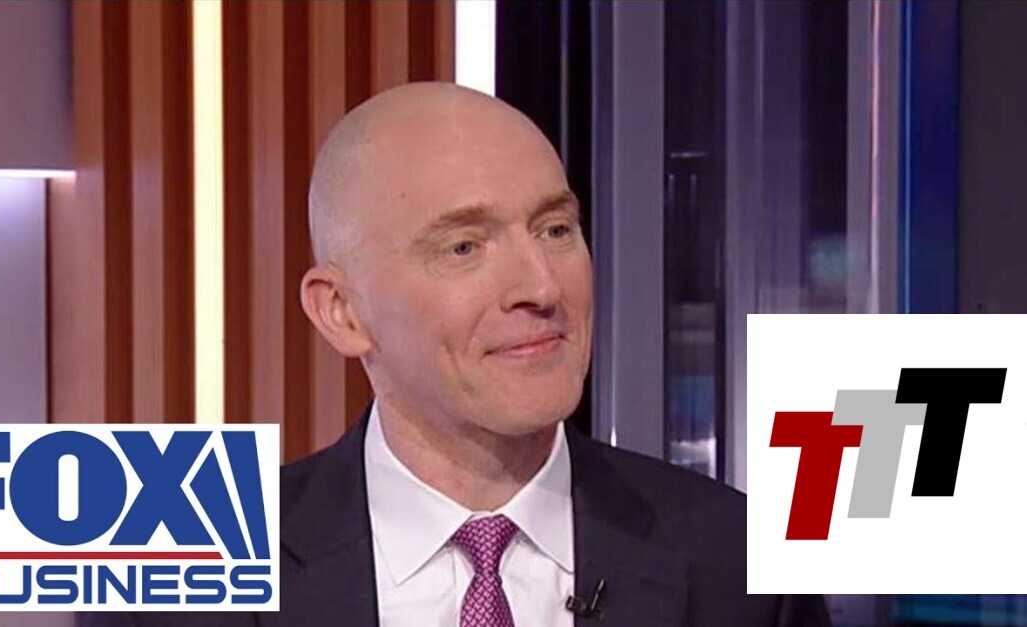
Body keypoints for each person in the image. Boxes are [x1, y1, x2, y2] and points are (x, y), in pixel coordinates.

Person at [85, 82, 830, 627]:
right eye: (464, 247)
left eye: (555, 230)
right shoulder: (175, 584)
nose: (541, 287)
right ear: (342, 312)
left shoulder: (736, 562)